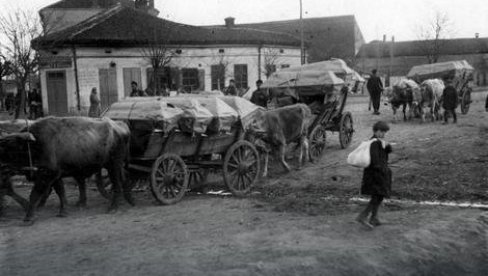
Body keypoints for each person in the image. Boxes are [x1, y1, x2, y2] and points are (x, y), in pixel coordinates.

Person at [356, 121, 392, 229]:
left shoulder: (376, 142)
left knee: (378, 196)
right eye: (382, 132)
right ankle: (363, 216)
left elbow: (387, 152)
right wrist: (384, 170)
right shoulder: (374, 143)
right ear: (376, 131)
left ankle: (374, 218)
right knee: (377, 196)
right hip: (376, 175)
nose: (383, 134)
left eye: (384, 132)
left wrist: (386, 145)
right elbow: (376, 161)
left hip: (376, 173)